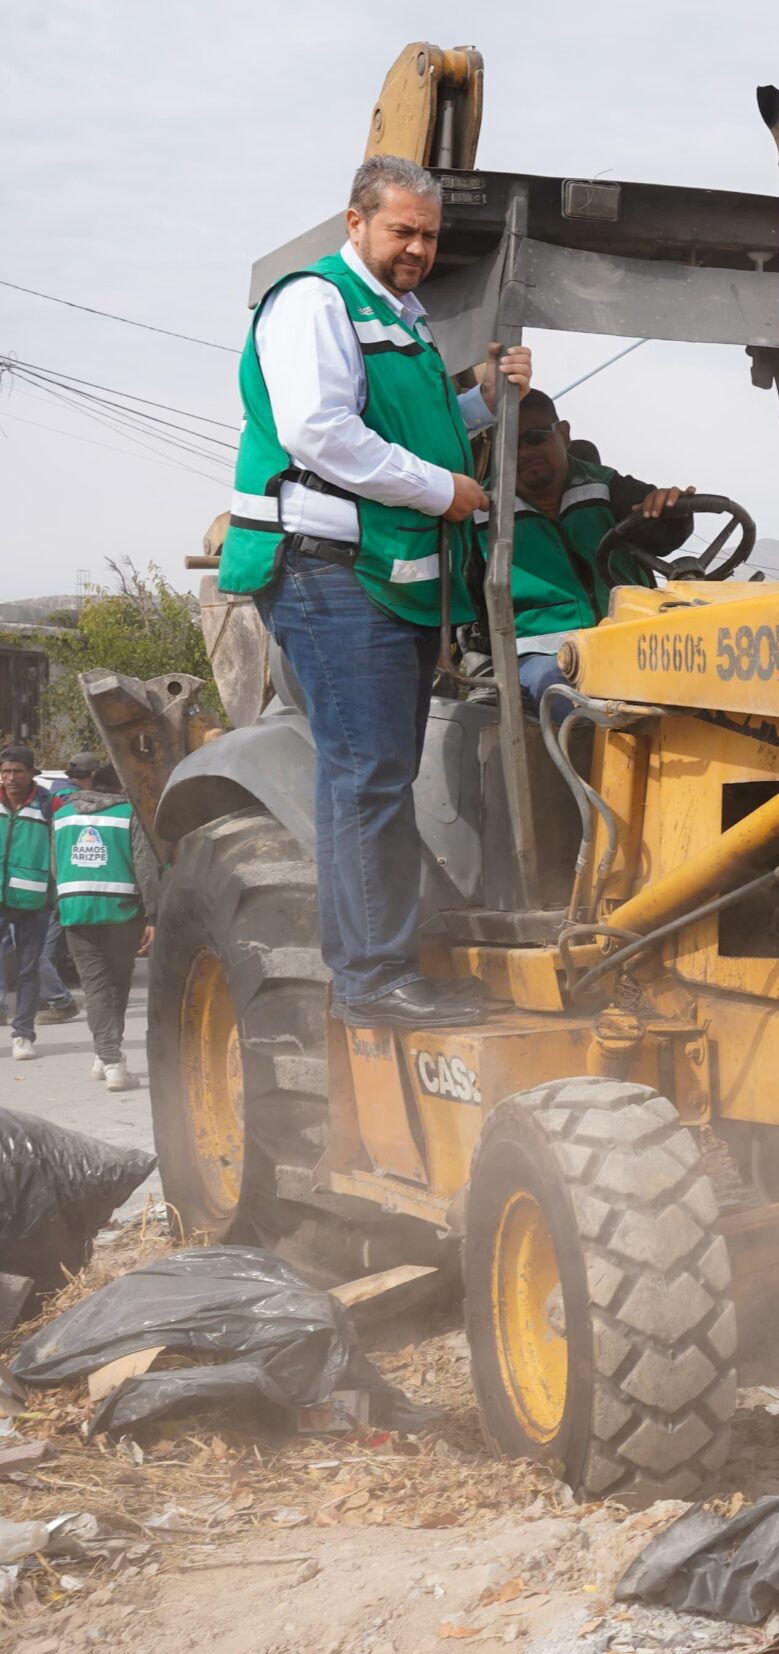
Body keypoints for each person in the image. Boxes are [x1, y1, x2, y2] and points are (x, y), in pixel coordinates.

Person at [216, 155, 530, 1028]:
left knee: (382, 773)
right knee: (368, 777)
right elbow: (320, 433)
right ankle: (371, 980)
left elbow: (411, 428)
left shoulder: (404, 320)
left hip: (378, 577)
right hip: (329, 573)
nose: (417, 248)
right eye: (402, 230)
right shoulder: (312, 303)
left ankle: (388, 963)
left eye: (428, 235)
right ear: (356, 223)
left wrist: (489, 400)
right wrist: (443, 490)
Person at [485, 389, 693, 704]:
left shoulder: (609, 489)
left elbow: (664, 533)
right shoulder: (481, 513)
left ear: (564, 434)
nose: (525, 452)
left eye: (536, 437)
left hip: (631, 643)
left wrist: (674, 507)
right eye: (510, 444)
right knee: (560, 686)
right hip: (542, 656)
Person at [51, 762, 156, 1092]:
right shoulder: (128, 813)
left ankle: (105, 1056)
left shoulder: (62, 815)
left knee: (95, 988)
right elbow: (144, 866)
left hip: (75, 910)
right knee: (117, 985)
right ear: (123, 788)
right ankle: (111, 1059)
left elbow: (57, 864)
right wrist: (153, 914)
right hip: (120, 912)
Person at [33, 753, 97, 1024]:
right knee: (41, 953)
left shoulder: (51, 795)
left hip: (50, 890)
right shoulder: (71, 803)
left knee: (44, 952)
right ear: (91, 776)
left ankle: (56, 999)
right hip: (59, 890)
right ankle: (61, 1001)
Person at [0, 748, 53, 1061]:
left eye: (17, 771)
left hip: (34, 900)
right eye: (5, 771)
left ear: (32, 773)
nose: (10, 778)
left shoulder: (48, 804)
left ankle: (23, 1035)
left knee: (28, 971)